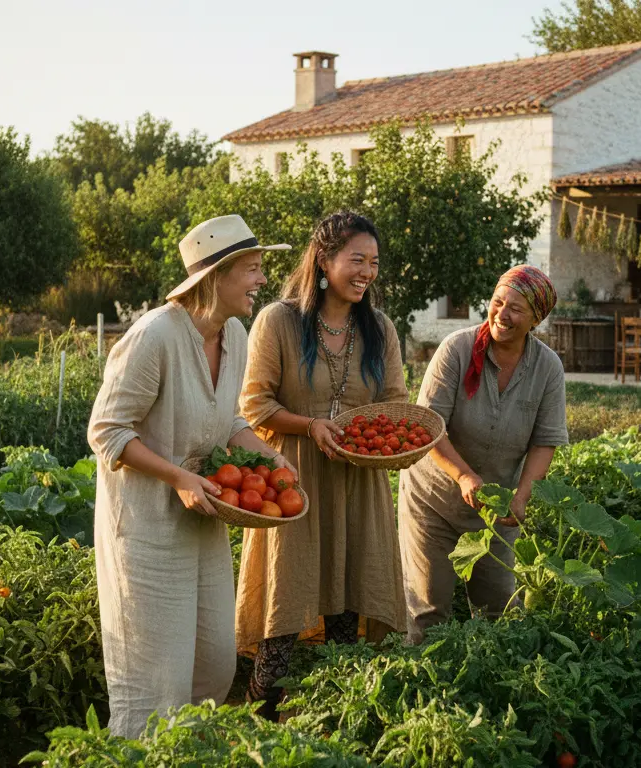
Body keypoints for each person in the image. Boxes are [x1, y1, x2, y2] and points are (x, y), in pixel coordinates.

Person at [87, 215, 298, 737]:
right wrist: (179, 478)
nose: (261, 280)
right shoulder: (155, 336)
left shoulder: (235, 333)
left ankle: (188, 751)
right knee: (154, 681)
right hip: (146, 532)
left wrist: (270, 458)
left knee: (213, 664)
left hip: (203, 524)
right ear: (217, 276)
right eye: (252, 269)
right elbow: (107, 430)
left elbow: (226, 420)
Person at [236, 211, 408, 719]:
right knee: (285, 601)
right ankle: (259, 714)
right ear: (324, 261)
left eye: (374, 263)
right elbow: (255, 405)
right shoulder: (279, 321)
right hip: (294, 482)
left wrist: (375, 437)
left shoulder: (378, 329)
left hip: (358, 482)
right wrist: (311, 426)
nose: (367, 272)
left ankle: (336, 715)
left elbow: (396, 404)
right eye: (357, 259)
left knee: (351, 599)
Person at [398, 264, 568, 645]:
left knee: (500, 615)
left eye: (516, 308)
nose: (502, 315)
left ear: (536, 318)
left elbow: (545, 441)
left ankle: (489, 693)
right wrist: (462, 475)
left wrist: (522, 496)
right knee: (429, 613)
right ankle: (424, 695)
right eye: (497, 302)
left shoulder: (547, 368)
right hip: (433, 503)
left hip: (495, 511)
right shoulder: (456, 350)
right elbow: (429, 427)